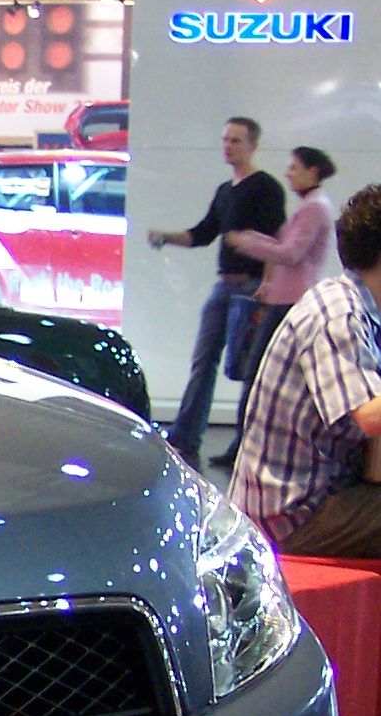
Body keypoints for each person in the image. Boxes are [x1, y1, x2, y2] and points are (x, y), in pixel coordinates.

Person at [231, 183, 381, 556]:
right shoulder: (338, 312)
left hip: (318, 497)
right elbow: (368, 417)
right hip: (290, 515)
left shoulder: (361, 310)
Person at [148, 116, 286, 468]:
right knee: (204, 359)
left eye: (236, 140)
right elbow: (204, 233)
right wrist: (167, 236)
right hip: (225, 285)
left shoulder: (266, 187)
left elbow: (276, 240)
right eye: (225, 140)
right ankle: (185, 435)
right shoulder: (226, 191)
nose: (228, 146)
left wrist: (268, 284)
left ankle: (244, 445)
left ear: (252, 145)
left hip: (251, 286)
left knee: (247, 367)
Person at [213, 145, 339, 463]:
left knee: (258, 374)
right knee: (261, 374)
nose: (289, 174)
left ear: (312, 172)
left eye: (294, 168)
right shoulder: (313, 206)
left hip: (288, 302)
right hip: (285, 299)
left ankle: (244, 446)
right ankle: (246, 444)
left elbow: (290, 253)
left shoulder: (313, 208)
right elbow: (285, 247)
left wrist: (246, 242)